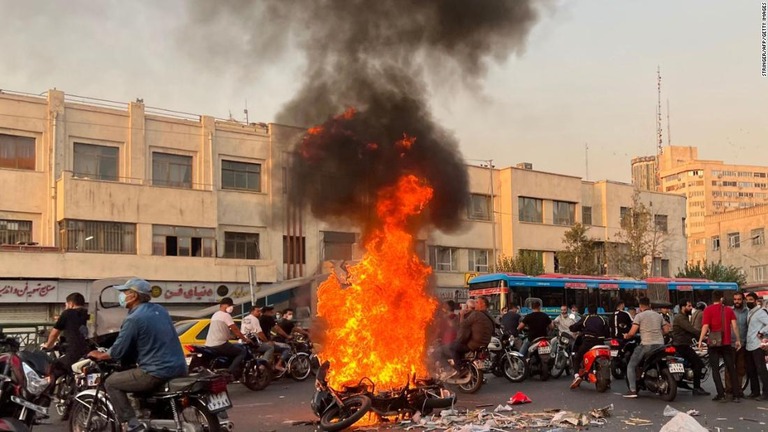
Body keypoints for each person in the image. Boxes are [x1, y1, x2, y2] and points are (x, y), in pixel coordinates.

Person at [86, 278, 187, 432]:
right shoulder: (160, 310)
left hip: (156, 371)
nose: (122, 296)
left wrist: (100, 355)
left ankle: (132, 424)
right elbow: (149, 339)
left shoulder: (134, 318)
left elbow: (117, 351)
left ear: (133, 296)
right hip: (179, 367)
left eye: (124, 292)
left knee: (111, 382)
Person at [698, 291, 743, 403]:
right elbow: (734, 326)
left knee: (715, 370)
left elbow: (705, 326)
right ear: (722, 298)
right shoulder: (728, 310)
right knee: (731, 368)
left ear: (712, 298)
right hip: (727, 343)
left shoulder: (708, 310)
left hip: (713, 343)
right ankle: (736, 395)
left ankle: (720, 394)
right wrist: (738, 339)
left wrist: (700, 340)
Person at [623, 297, 670, 398]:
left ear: (640, 306)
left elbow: (632, 332)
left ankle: (632, 390)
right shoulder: (658, 315)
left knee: (631, 365)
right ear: (649, 305)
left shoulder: (639, 316)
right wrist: (657, 333)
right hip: (660, 344)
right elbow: (666, 330)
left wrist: (626, 336)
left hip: (647, 345)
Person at [443, 296, 495, 378]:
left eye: (477, 302)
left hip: (473, 344)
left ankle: (460, 369)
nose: (475, 304)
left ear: (483, 304)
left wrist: (462, 315)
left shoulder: (476, 314)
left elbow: (463, 325)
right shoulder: (489, 315)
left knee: (452, 347)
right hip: (484, 344)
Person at [204, 297, 252, 379]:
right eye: (230, 305)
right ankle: (230, 372)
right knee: (242, 352)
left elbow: (220, 330)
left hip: (209, 344)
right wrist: (245, 339)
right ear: (223, 305)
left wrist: (232, 336)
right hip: (220, 344)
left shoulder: (215, 315)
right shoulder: (226, 315)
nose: (231, 307)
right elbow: (235, 329)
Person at [671, 300, 709, 395]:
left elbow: (689, 332)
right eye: (688, 306)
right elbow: (691, 329)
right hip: (681, 345)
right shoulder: (680, 318)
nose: (691, 308)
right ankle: (697, 388)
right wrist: (703, 335)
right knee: (698, 364)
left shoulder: (684, 317)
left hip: (683, 344)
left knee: (691, 363)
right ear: (682, 307)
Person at [569, 304, 610, 389]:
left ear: (588, 311)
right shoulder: (602, 319)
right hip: (600, 342)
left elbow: (575, 327)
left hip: (588, 342)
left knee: (577, 357)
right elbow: (607, 333)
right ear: (596, 311)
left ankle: (577, 376)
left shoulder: (586, 318)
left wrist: (572, 327)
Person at [743, 292, 768, 400]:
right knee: (751, 370)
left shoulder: (761, 312)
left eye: (751, 299)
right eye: (747, 299)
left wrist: (761, 332)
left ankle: (766, 393)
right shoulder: (749, 312)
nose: (749, 301)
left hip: (758, 345)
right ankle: (755, 391)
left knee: (761, 370)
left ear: (756, 300)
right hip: (749, 344)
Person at [725, 292, 748, 397]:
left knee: (740, 368)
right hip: (730, 343)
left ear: (743, 300)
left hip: (743, 344)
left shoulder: (747, 312)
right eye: (735, 299)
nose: (737, 301)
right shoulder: (729, 311)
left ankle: (739, 389)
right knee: (729, 367)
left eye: (739, 299)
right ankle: (729, 390)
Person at [259, 306, 291, 371]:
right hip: (265, 342)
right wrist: (287, 336)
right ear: (267, 312)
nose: (273, 312)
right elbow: (277, 329)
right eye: (271, 311)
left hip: (258, 342)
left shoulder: (259, 318)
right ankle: (278, 364)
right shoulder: (268, 318)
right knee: (287, 347)